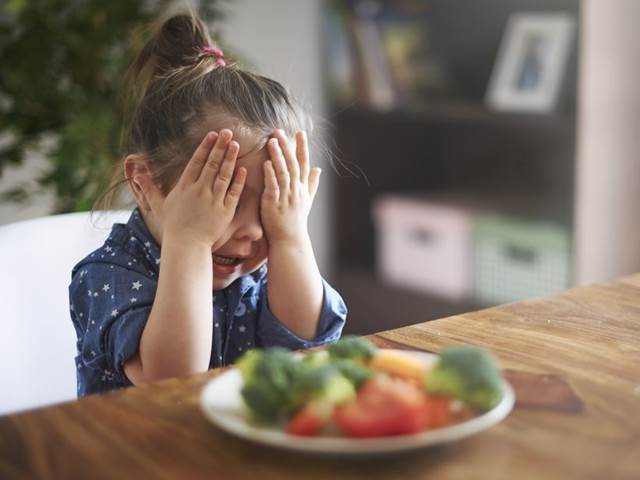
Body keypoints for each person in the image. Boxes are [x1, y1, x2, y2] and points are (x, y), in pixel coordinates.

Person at [68, 12, 347, 397]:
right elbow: (173, 379)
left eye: (270, 204)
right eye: (226, 201)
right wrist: (191, 242)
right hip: (135, 451)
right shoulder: (108, 275)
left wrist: (289, 237)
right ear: (144, 184)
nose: (252, 230)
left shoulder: (264, 264)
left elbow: (309, 343)